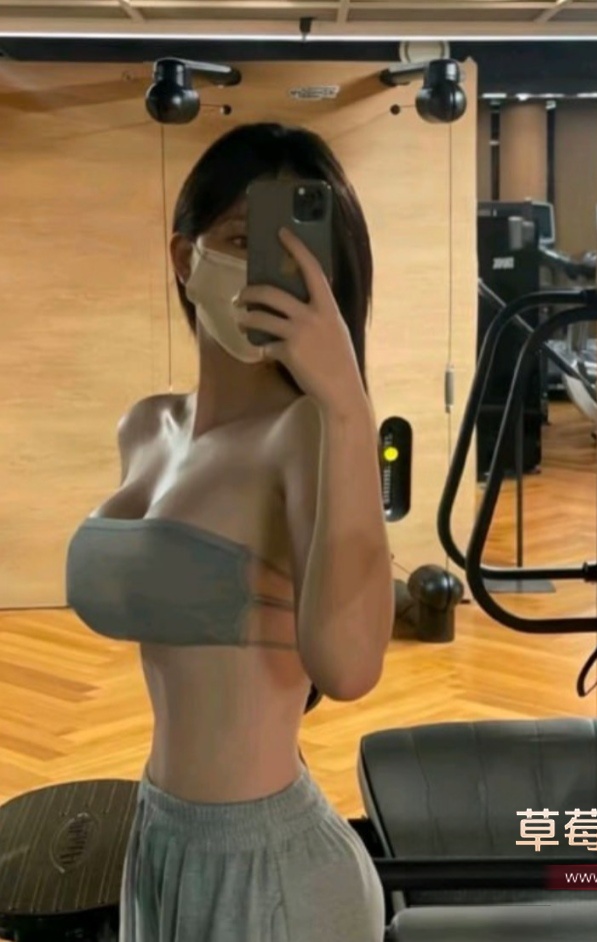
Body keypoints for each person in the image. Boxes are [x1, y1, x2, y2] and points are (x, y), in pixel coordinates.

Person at [65, 123, 394, 942]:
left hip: (273, 870)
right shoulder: (146, 427)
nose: (270, 275)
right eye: (244, 241)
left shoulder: (307, 434)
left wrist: (346, 402)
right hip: (159, 838)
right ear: (186, 257)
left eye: (301, 252)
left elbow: (350, 668)